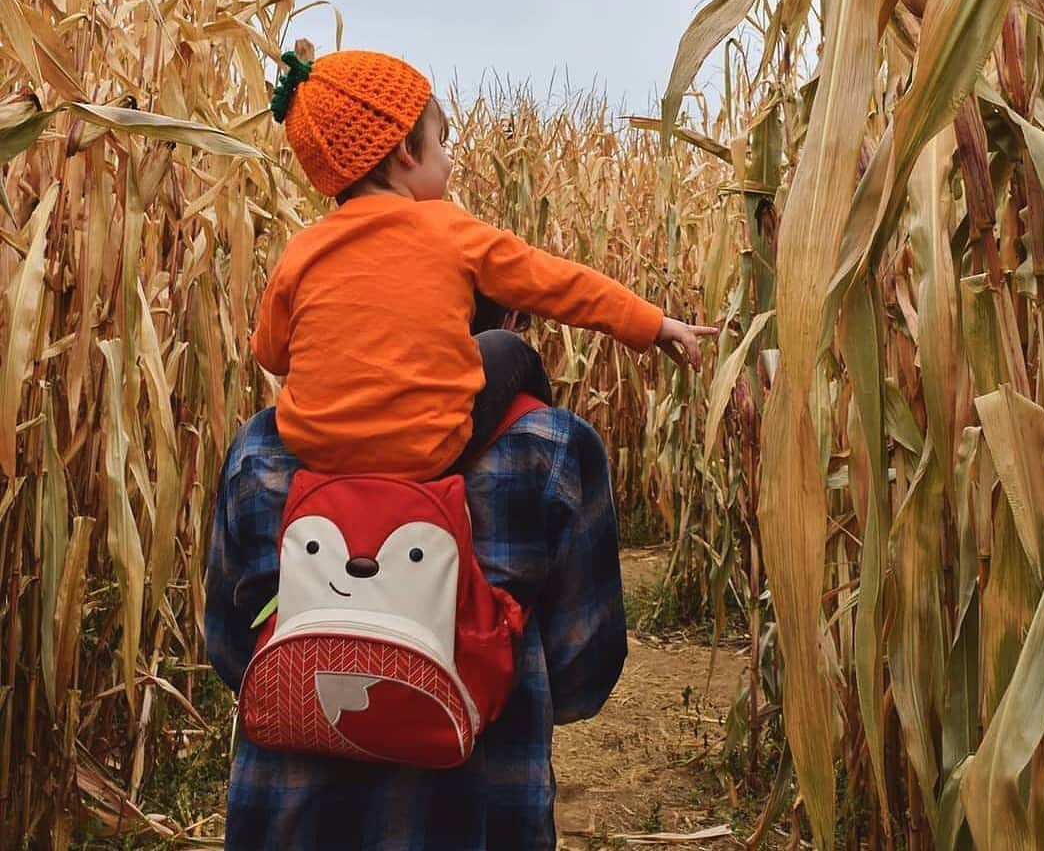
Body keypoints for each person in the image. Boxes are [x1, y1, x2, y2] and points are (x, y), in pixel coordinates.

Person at [252, 44, 716, 479]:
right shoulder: (447, 227)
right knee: (509, 349)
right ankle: (528, 470)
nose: (450, 162)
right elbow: (557, 283)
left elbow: (271, 355)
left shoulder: (304, 250)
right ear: (406, 152)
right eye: (442, 141)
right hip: (429, 450)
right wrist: (652, 323)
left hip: (317, 452)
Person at [205, 400, 628, 849]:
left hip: (287, 824)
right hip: (481, 820)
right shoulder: (547, 444)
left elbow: (230, 649)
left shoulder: (264, 443)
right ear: (506, 323)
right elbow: (582, 671)